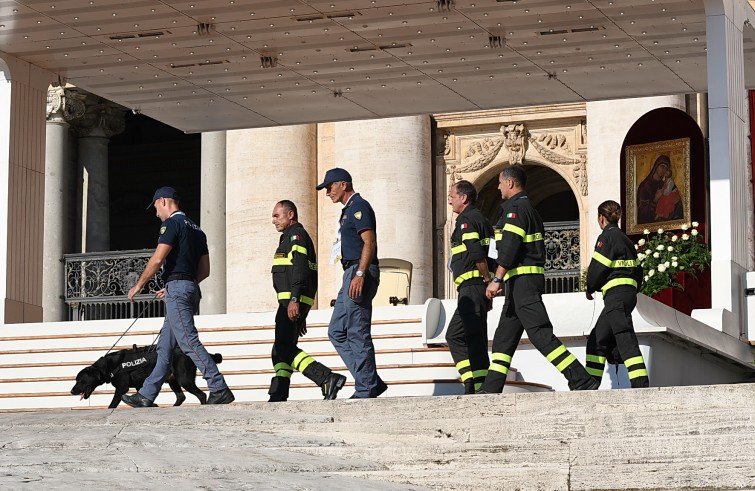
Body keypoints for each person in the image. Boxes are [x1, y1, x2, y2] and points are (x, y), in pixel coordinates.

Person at [480, 166, 598, 393]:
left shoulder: (516, 209)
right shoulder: (524, 208)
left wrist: (496, 279)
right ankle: (490, 389)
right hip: (518, 286)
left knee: (540, 334)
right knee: (504, 339)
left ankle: (581, 378)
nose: (498, 187)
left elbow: (510, 248)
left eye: (500, 183)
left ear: (510, 183)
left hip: (524, 283)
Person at [122, 186, 234, 407]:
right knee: (164, 348)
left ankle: (218, 386)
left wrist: (138, 285)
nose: (156, 214)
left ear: (163, 201)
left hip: (178, 290)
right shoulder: (198, 230)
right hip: (188, 287)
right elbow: (205, 270)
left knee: (188, 341)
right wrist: (182, 283)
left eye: (155, 207)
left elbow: (157, 259)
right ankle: (146, 395)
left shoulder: (171, 224)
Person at [316, 168, 387, 399]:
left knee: (357, 330)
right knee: (336, 331)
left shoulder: (359, 206)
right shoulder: (348, 210)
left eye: (330, 186)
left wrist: (360, 274)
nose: (327, 192)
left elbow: (369, 242)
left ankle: (365, 388)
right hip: (350, 271)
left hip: (359, 271)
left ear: (343, 184)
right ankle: (371, 379)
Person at [268, 200, 347, 401]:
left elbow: (301, 269)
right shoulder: (289, 237)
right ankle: (279, 394)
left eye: (277, 216)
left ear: (290, 215)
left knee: (283, 348)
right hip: (292, 303)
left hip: (291, 302)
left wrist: (295, 300)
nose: (273, 221)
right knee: (280, 350)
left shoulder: (296, 236)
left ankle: (326, 378)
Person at [584, 200, 649, 388]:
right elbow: (638, 272)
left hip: (615, 296)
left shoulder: (606, 238)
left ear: (601, 218)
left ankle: (641, 384)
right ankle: (590, 386)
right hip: (627, 296)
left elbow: (597, 268)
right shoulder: (626, 240)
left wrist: (590, 287)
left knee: (624, 336)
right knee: (597, 339)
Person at [446, 180, 493, 394]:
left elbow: (476, 252)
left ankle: (475, 383)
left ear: (463, 198)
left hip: (473, 286)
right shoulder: (481, 219)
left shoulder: (467, 220)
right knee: (470, 335)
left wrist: (486, 280)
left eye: (452, 196)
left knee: (465, 336)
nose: (449, 200)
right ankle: (473, 381)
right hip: (473, 289)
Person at [636, 155, 683, 224]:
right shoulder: (645, 186)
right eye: (662, 166)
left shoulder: (666, 184)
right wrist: (655, 199)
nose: (663, 170)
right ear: (656, 166)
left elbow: (678, 204)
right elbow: (642, 213)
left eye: (666, 168)